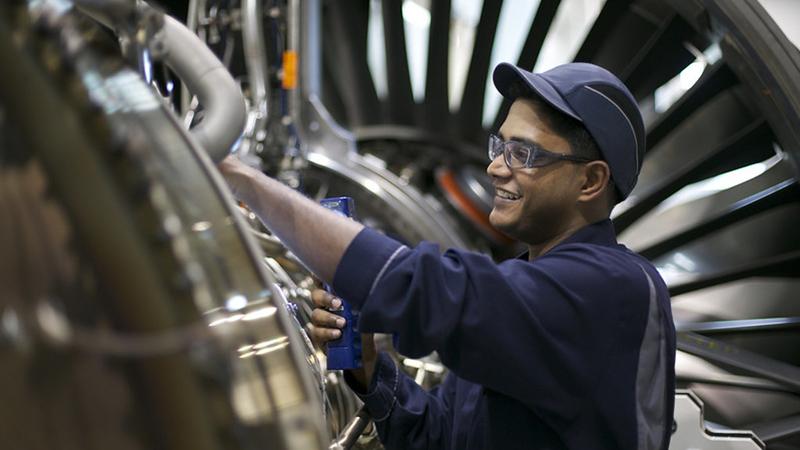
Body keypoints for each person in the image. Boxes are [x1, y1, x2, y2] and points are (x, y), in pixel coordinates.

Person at [219, 62, 676, 449]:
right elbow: (443, 436)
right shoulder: (521, 284)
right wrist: (371, 369)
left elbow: (424, 289)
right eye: (500, 146)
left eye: (523, 153)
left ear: (591, 182)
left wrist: (249, 184)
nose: (495, 167)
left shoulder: (613, 289)